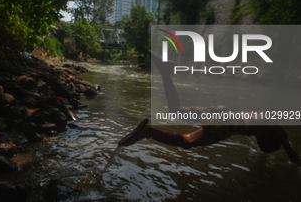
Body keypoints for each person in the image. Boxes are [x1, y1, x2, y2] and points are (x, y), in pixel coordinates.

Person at [118, 51, 301, 166]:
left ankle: (166, 72)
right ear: (273, 139)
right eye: (267, 147)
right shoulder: (274, 128)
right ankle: (149, 132)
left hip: (223, 111)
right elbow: (286, 143)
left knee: (176, 109)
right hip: (227, 122)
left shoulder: (262, 121)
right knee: (187, 141)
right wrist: (292, 154)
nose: (262, 147)